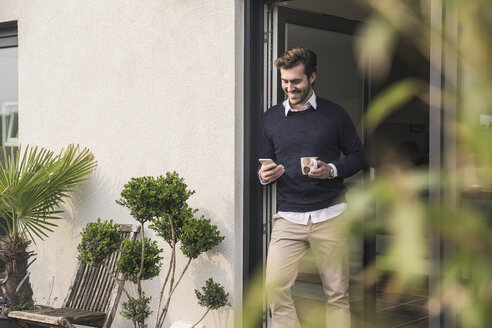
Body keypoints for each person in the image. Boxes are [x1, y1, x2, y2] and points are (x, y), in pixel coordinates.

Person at [259, 47, 366, 328]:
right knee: (275, 287)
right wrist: (264, 173)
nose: (290, 88)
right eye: (284, 81)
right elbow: (262, 163)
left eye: (296, 81)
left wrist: (331, 170)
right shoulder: (270, 118)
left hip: (330, 216)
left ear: (312, 77)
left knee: (337, 295)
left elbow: (359, 156)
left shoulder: (335, 115)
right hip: (288, 218)